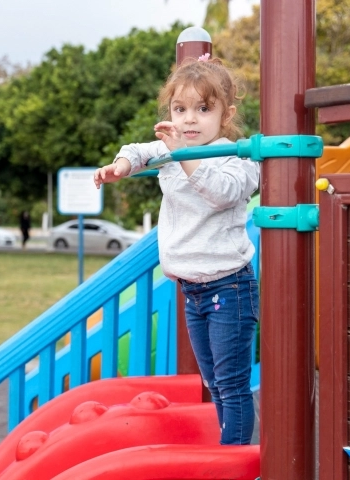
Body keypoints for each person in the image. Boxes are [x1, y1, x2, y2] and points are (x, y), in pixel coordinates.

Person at [93, 54, 260, 446]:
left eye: (203, 109)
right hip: (193, 292)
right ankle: (228, 451)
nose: (189, 120)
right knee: (213, 382)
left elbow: (221, 193)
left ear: (225, 114)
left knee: (232, 384)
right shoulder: (172, 147)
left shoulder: (237, 156)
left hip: (229, 289)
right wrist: (118, 166)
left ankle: (235, 460)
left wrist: (180, 157)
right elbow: (137, 150)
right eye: (180, 109)